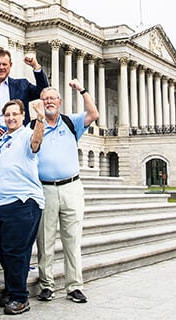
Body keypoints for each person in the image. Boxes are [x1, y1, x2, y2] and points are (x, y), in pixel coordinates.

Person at [0, 50, 48, 255]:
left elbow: (43, 90)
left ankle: (6, 234)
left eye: (4, 64)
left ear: (10, 65)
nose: (1, 67)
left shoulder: (21, 85)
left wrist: (36, 67)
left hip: (16, 143)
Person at [35, 80, 99, 304]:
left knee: (72, 239)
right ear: (40, 103)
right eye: (45, 99)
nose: (49, 102)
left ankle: (74, 286)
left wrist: (82, 89)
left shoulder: (72, 122)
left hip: (71, 186)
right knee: (45, 240)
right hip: (45, 188)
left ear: (60, 102)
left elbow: (94, 113)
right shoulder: (35, 125)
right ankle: (46, 285)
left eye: (53, 98)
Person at [0, 99, 45, 315]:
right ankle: (12, 289)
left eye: (15, 114)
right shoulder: (2, 140)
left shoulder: (26, 134)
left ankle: (20, 297)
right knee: (2, 251)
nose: (10, 118)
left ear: (22, 116)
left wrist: (40, 119)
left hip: (20, 202)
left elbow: (36, 143)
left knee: (15, 251)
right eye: (7, 114)